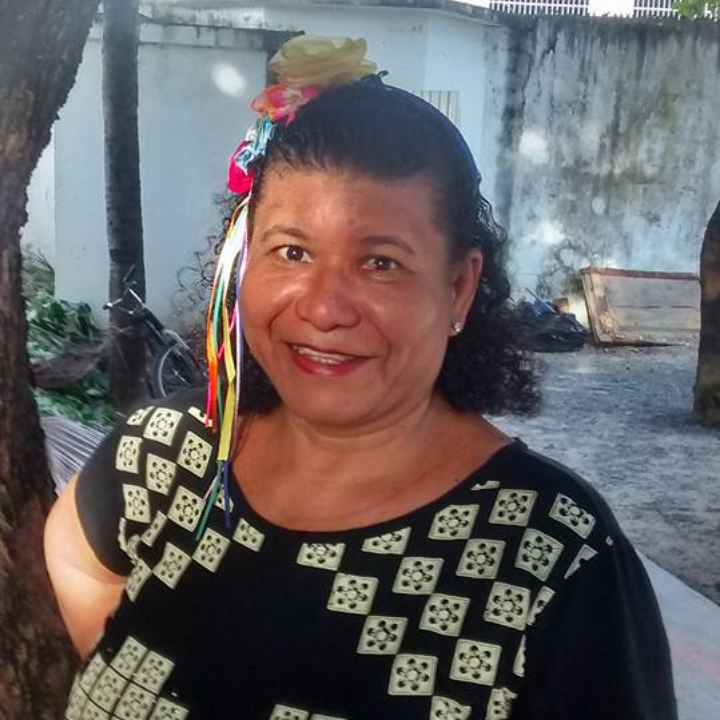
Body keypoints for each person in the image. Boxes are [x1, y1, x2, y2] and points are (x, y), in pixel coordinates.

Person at [45, 36, 677, 720]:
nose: (323, 308)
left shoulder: (551, 554)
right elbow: (77, 565)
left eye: (381, 264)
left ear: (459, 288)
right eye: (292, 252)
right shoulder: (168, 454)